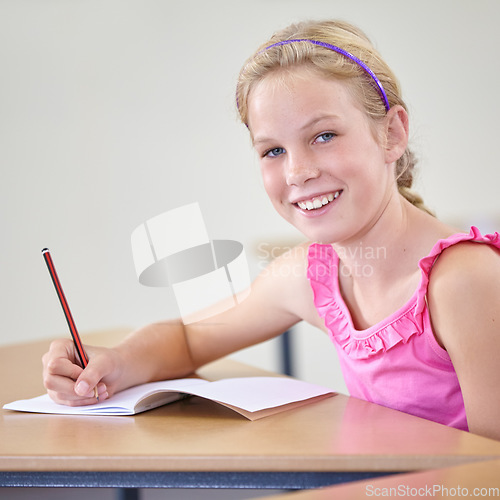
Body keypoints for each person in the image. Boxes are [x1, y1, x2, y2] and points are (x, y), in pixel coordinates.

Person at [42, 20, 500, 440]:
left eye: (324, 136)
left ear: (392, 134)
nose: (298, 171)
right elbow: (190, 337)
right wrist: (111, 363)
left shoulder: (466, 282)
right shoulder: (311, 276)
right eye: (273, 151)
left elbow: (489, 473)